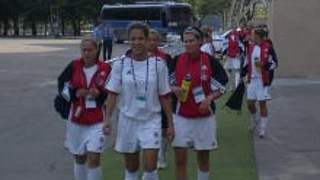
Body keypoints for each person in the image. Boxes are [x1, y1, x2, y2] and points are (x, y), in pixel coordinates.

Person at [104, 22, 174, 180]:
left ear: (147, 39)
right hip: (127, 120)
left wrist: (170, 123)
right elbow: (112, 94)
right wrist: (107, 119)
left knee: (150, 166)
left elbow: (164, 96)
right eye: (133, 38)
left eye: (141, 38)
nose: (137, 42)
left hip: (151, 120)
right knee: (131, 167)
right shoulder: (120, 64)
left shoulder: (158, 65)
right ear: (128, 40)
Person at [169, 27, 228, 180]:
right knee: (180, 160)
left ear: (200, 41)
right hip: (181, 116)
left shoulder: (209, 61)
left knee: (203, 159)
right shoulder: (177, 60)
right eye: (185, 41)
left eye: (191, 41)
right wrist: (174, 88)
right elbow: (167, 82)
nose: (188, 44)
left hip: (204, 117)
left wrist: (209, 99)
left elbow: (222, 86)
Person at [58, 37, 111, 180]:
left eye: (90, 50)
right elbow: (62, 85)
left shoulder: (105, 68)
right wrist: (75, 94)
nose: (86, 53)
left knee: (94, 157)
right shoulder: (73, 66)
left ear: (97, 50)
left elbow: (112, 92)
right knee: (79, 158)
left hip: (97, 119)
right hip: (76, 119)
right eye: (84, 50)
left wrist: (100, 94)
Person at [147, 29, 173, 169]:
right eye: (149, 39)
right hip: (146, 99)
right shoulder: (136, 56)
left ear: (158, 41)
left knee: (162, 128)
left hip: (162, 97)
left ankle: (161, 156)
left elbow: (170, 78)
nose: (151, 42)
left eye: (154, 40)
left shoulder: (165, 57)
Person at [245, 29, 272, 138]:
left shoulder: (268, 47)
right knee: (250, 104)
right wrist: (245, 74)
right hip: (252, 79)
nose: (252, 37)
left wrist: (264, 66)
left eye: (253, 36)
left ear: (259, 36)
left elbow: (274, 63)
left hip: (262, 80)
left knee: (262, 103)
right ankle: (255, 119)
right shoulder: (251, 48)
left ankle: (262, 129)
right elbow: (248, 63)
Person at [223, 26, 244, 90]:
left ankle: (237, 85)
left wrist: (240, 53)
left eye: (234, 29)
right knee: (228, 70)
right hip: (229, 56)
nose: (233, 30)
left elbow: (241, 46)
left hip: (236, 56)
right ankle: (231, 86)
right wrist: (224, 53)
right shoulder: (227, 37)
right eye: (232, 29)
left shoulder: (238, 37)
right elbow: (225, 46)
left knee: (237, 71)